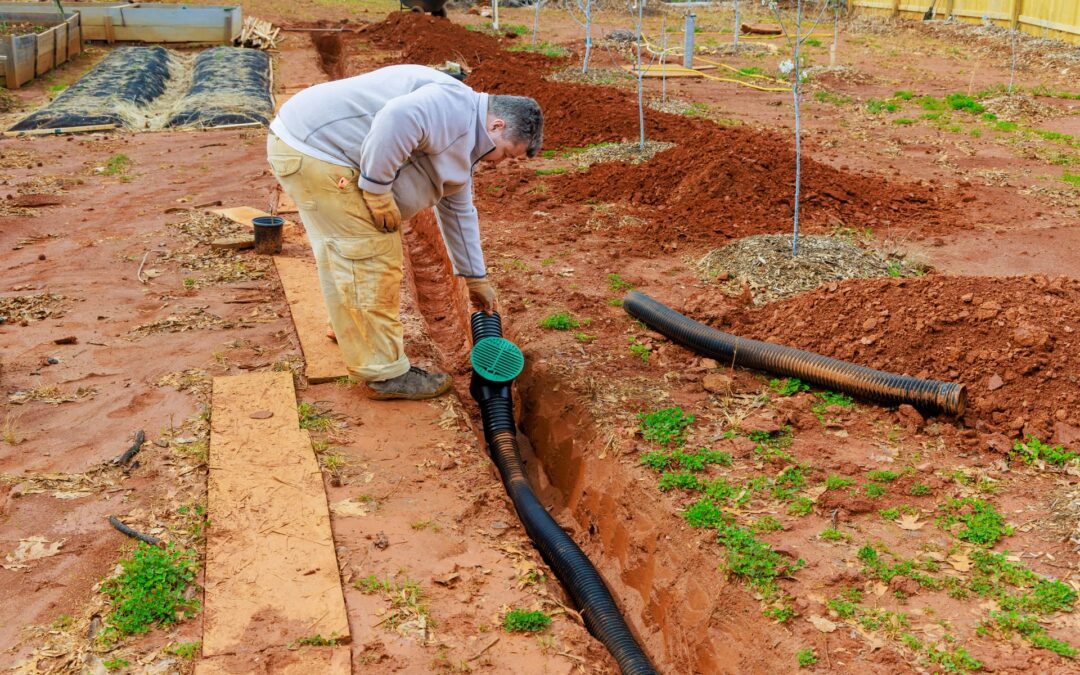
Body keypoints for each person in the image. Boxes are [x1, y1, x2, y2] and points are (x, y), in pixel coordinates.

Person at [267, 65, 543, 400]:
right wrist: (377, 189)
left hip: (307, 146)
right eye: (506, 153)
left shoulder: (467, 132)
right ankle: (384, 374)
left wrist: (475, 278)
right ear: (496, 125)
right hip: (318, 152)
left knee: (343, 251)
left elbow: (458, 211)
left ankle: (352, 330)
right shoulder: (454, 107)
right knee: (372, 257)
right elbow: (398, 116)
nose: (500, 163)